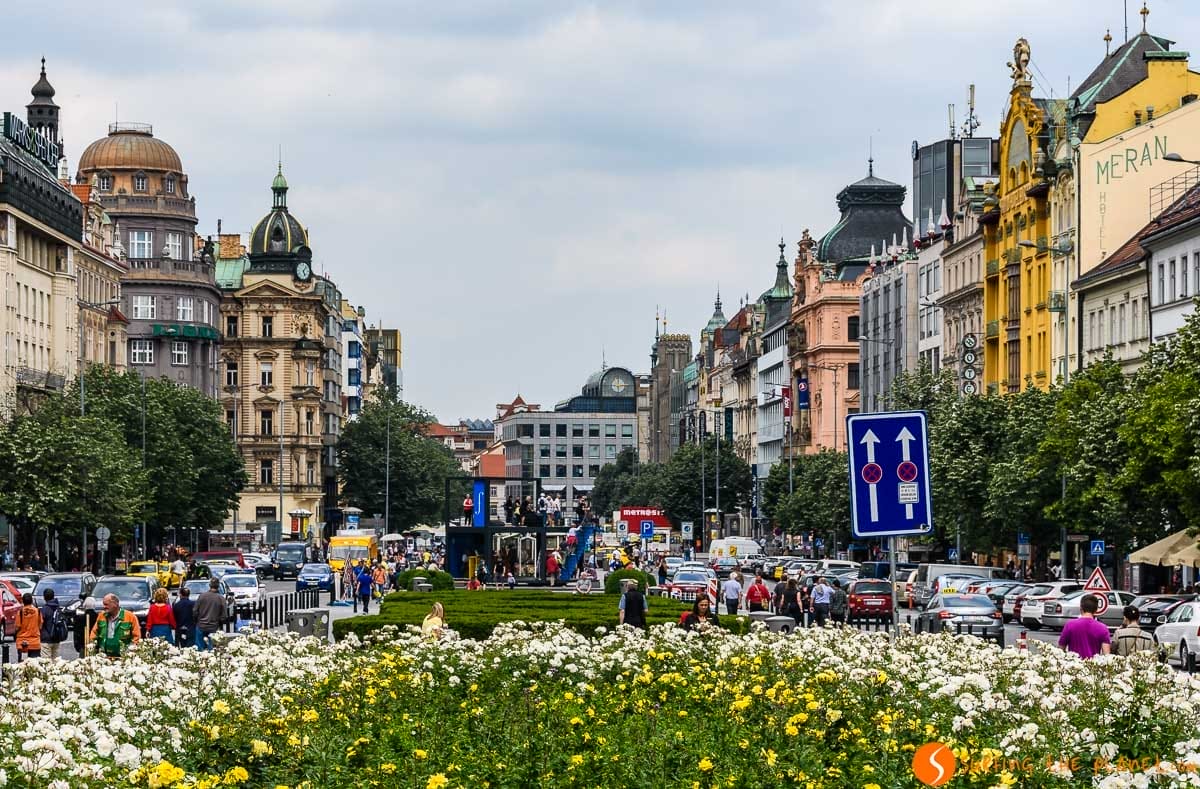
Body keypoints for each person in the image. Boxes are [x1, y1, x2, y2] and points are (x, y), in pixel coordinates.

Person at [1058, 594, 1111, 658]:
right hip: (1093, 665)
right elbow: (1107, 655)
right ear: (1096, 610)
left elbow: (1060, 651)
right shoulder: (1103, 628)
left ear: (1081, 608)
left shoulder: (1069, 625)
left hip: (1074, 665)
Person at [89, 593, 141, 658]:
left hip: (123, 657)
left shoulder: (130, 617)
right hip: (104, 656)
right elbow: (94, 633)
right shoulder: (101, 616)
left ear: (115, 604)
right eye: (103, 604)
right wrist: (92, 646)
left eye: (106, 604)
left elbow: (136, 637)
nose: (104, 607)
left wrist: (130, 652)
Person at [194, 579, 226, 652]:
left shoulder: (202, 596)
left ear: (209, 585)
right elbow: (224, 615)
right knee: (212, 649)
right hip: (214, 626)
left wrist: (197, 620)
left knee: (200, 649)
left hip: (201, 625)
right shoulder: (221, 598)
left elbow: (195, 611)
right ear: (218, 586)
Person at [15, 592, 42, 659]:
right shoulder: (37, 611)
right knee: (34, 666)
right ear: (32, 601)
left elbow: (17, 627)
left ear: (22, 601)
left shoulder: (20, 612)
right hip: (35, 642)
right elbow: (40, 626)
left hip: (23, 643)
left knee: (22, 666)